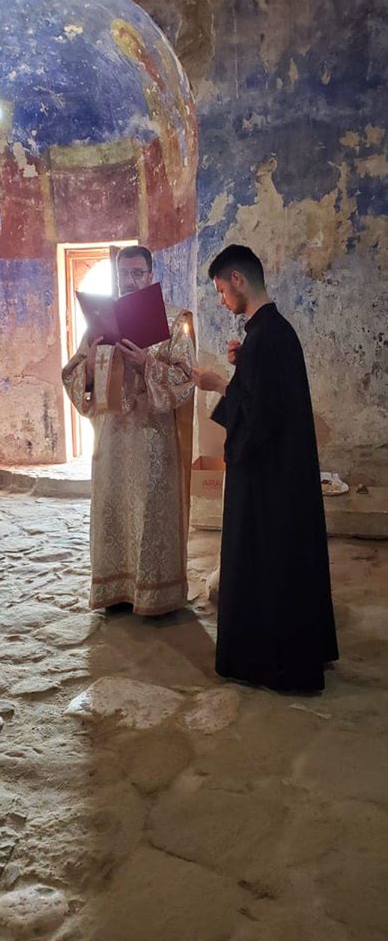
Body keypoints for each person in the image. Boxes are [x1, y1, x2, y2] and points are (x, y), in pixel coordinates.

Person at [192, 244, 338, 691]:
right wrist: (242, 370)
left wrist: (220, 384)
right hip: (282, 470)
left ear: (238, 279)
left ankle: (272, 664)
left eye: (221, 290)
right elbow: (267, 397)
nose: (221, 300)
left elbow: (260, 416)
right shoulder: (270, 331)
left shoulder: (266, 336)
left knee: (267, 562)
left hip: (268, 477)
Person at [62, 245, 195, 616]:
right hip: (111, 438)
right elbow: (72, 374)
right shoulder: (100, 321)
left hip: (152, 438)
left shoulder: (174, 321)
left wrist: (146, 364)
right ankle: (116, 590)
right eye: (124, 274)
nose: (131, 280)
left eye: (138, 273)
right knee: (113, 510)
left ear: (151, 276)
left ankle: (155, 595)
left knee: (149, 513)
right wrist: (90, 366)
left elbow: (186, 379)